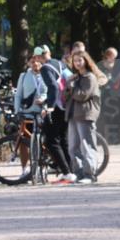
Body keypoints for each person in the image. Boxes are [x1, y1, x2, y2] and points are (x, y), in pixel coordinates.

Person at [65, 50, 103, 184]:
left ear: (86, 61)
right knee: (73, 147)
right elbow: (67, 95)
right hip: (73, 115)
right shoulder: (76, 77)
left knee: (87, 145)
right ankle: (79, 173)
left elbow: (82, 95)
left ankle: (90, 174)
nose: (77, 63)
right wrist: (69, 86)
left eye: (80, 60)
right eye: (75, 61)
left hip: (85, 114)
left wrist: (71, 87)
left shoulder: (90, 77)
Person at [35, 46, 71, 177]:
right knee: (63, 140)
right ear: (49, 53)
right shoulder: (60, 63)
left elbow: (54, 87)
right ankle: (71, 170)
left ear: (38, 57)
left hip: (56, 107)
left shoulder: (45, 68)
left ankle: (66, 172)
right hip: (66, 106)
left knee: (51, 141)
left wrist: (50, 106)